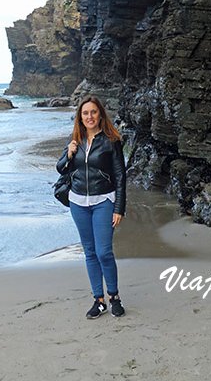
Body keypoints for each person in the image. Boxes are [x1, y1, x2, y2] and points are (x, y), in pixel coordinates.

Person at [56, 94, 128, 319]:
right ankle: (98, 300)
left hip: (104, 202)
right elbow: (61, 168)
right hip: (78, 203)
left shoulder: (111, 140)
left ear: (100, 114)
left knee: (104, 252)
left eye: (93, 112)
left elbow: (120, 175)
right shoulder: (75, 138)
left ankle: (114, 296)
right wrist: (69, 153)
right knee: (90, 252)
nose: (89, 116)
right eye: (85, 113)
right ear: (80, 116)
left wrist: (119, 208)